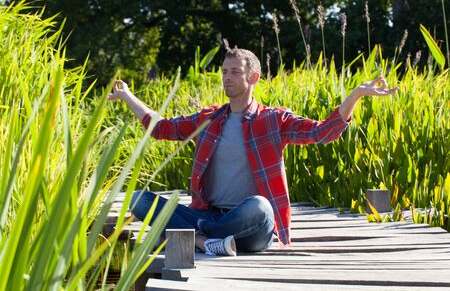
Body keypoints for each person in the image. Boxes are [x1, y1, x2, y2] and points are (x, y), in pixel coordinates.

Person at [109, 45, 398, 256]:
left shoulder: (273, 119)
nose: (227, 78)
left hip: (252, 227)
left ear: (254, 77)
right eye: (224, 72)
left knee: (260, 205)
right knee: (138, 199)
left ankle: (199, 238)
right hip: (209, 215)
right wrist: (127, 96)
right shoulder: (208, 119)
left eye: (235, 72)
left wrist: (356, 95)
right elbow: (161, 128)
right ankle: (207, 240)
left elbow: (323, 133)